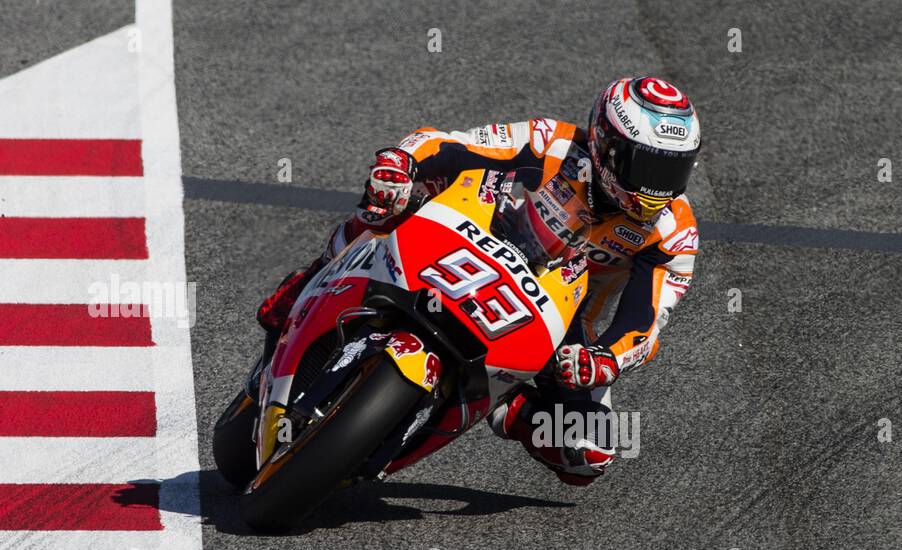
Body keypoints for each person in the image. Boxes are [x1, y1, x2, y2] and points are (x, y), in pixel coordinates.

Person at [255, 76, 701, 485]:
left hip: (561, 315)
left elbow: (645, 319)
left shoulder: (673, 233)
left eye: (672, 173)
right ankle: (316, 275)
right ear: (607, 144)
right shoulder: (553, 144)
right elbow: (452, 145)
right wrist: (401, 162)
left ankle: (506, 405)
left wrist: (605, 359)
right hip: (477, 237)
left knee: (588, 450)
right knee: (390, 199)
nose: (657, 189)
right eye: (648, 168)